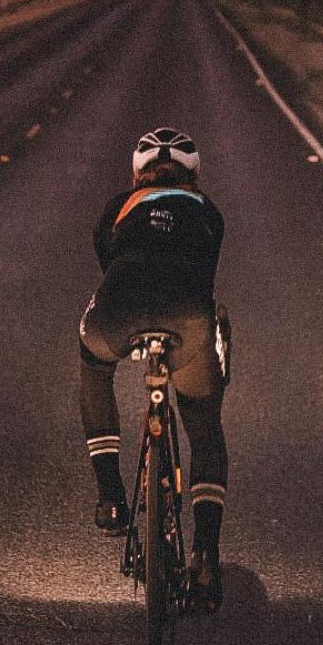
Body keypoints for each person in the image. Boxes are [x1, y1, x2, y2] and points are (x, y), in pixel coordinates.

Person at [78, 126, 230, 611]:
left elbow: (107, 257)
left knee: (93, 365)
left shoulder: (121, 204)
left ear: (137, 173)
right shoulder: (208, 211)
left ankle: (110, 498)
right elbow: (205, 270)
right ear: (195, 174)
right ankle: (205, 555)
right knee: (205, 428)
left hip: (119, 308)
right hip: (187, 316)